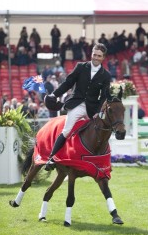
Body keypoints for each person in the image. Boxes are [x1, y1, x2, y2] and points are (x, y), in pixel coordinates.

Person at [44, 43, 111, 171]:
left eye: (99, 56)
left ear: (103, 58)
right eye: (94, 54)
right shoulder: (81, 66)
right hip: (77, 104)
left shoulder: (106, 75)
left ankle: (100, 160)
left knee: (102, 130)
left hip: (92, 109)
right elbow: (68, 83)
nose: (96, 57)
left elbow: (103, 97)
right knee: (67, 130)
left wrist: (97, 112)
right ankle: (51, 158)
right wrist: (54, 94)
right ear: (91, 54)